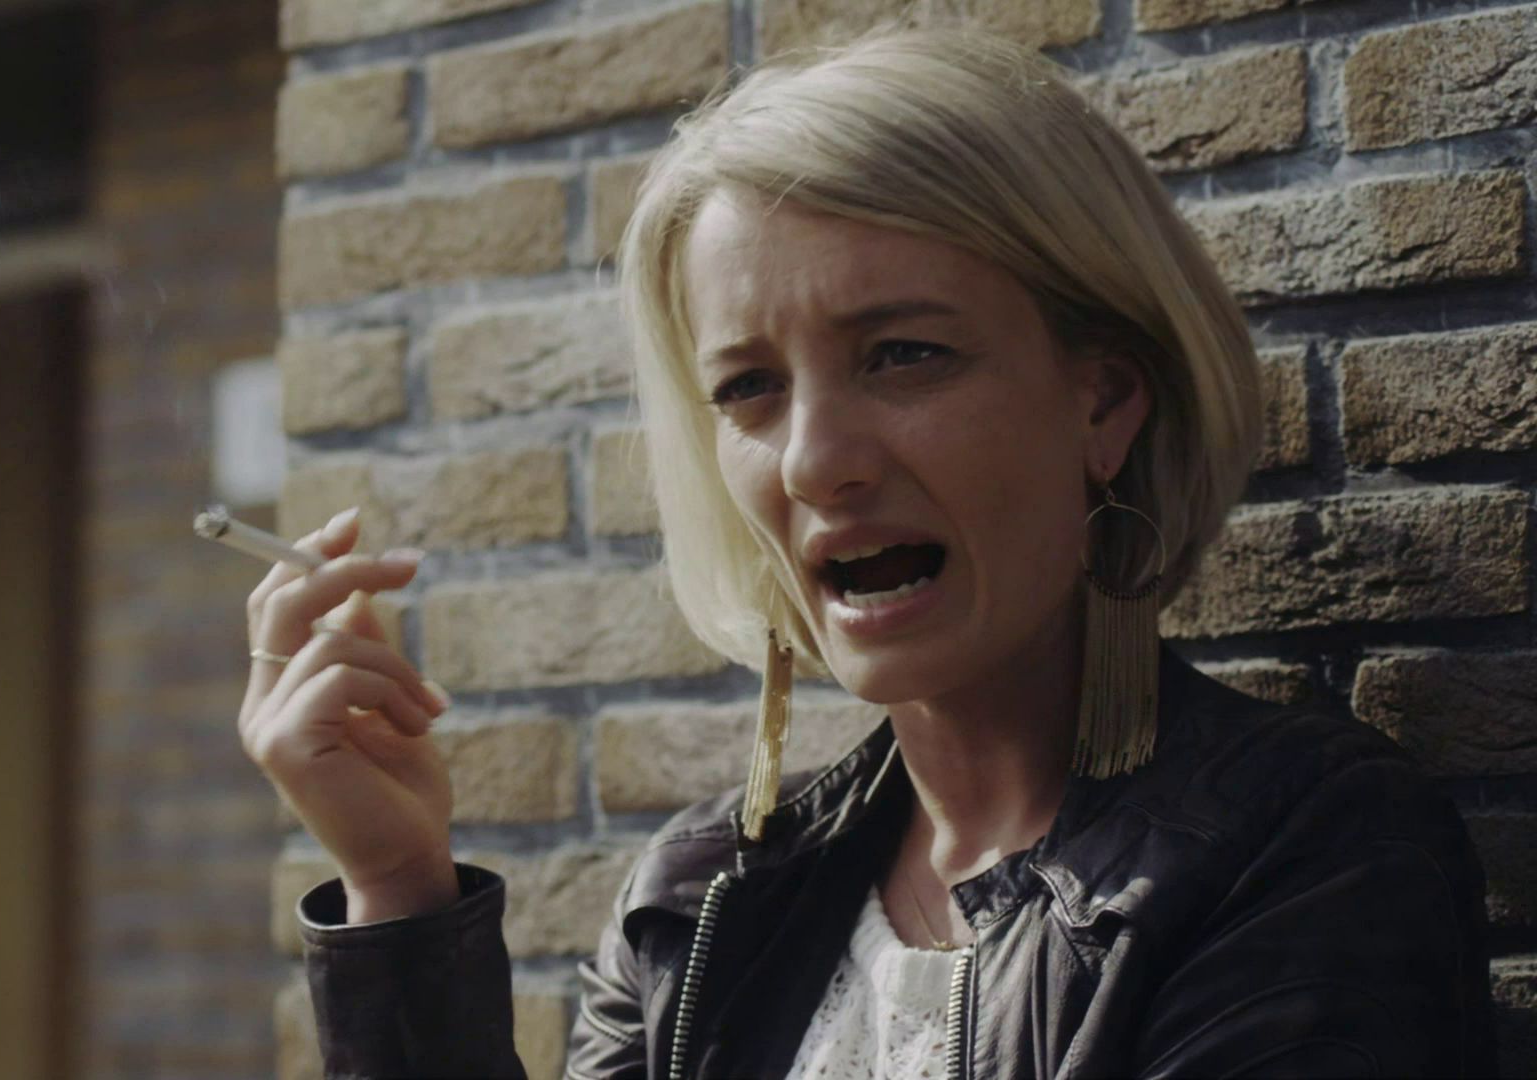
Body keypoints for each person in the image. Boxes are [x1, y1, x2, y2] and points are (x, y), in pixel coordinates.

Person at [236, 27, 1498, 1079]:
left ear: (1105, 403)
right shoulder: (696, 904)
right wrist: (397, 888)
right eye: (748, 387)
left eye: (904, 355)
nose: (811, 462)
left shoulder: (1307, 847)